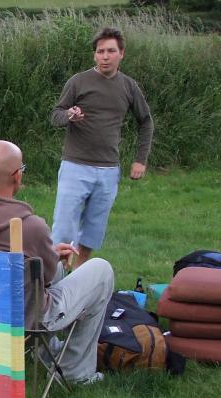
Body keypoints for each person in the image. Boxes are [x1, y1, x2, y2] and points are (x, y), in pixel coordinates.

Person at [0, 140, 114, 385]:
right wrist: (50, 256)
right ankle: (75, 372)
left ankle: (47, 353)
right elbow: (47, 277)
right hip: (24, 319)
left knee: (50, 266)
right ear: (17, 176)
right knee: (101, 271)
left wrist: (49, 253)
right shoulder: (31, 226)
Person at [51, 27, 154, 269]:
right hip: (75, 165)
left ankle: (79, 273)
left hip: (108, 169)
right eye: (100, 52)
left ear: (121, 54)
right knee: (64, 227)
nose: (105, 57)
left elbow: (146, 122)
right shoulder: (78, 82)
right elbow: (55, 116)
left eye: (110, 51)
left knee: (94, 229)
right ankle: (54, 276)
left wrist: (140, 160)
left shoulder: (128, 86)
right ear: (94, 55)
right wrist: (69, 115)